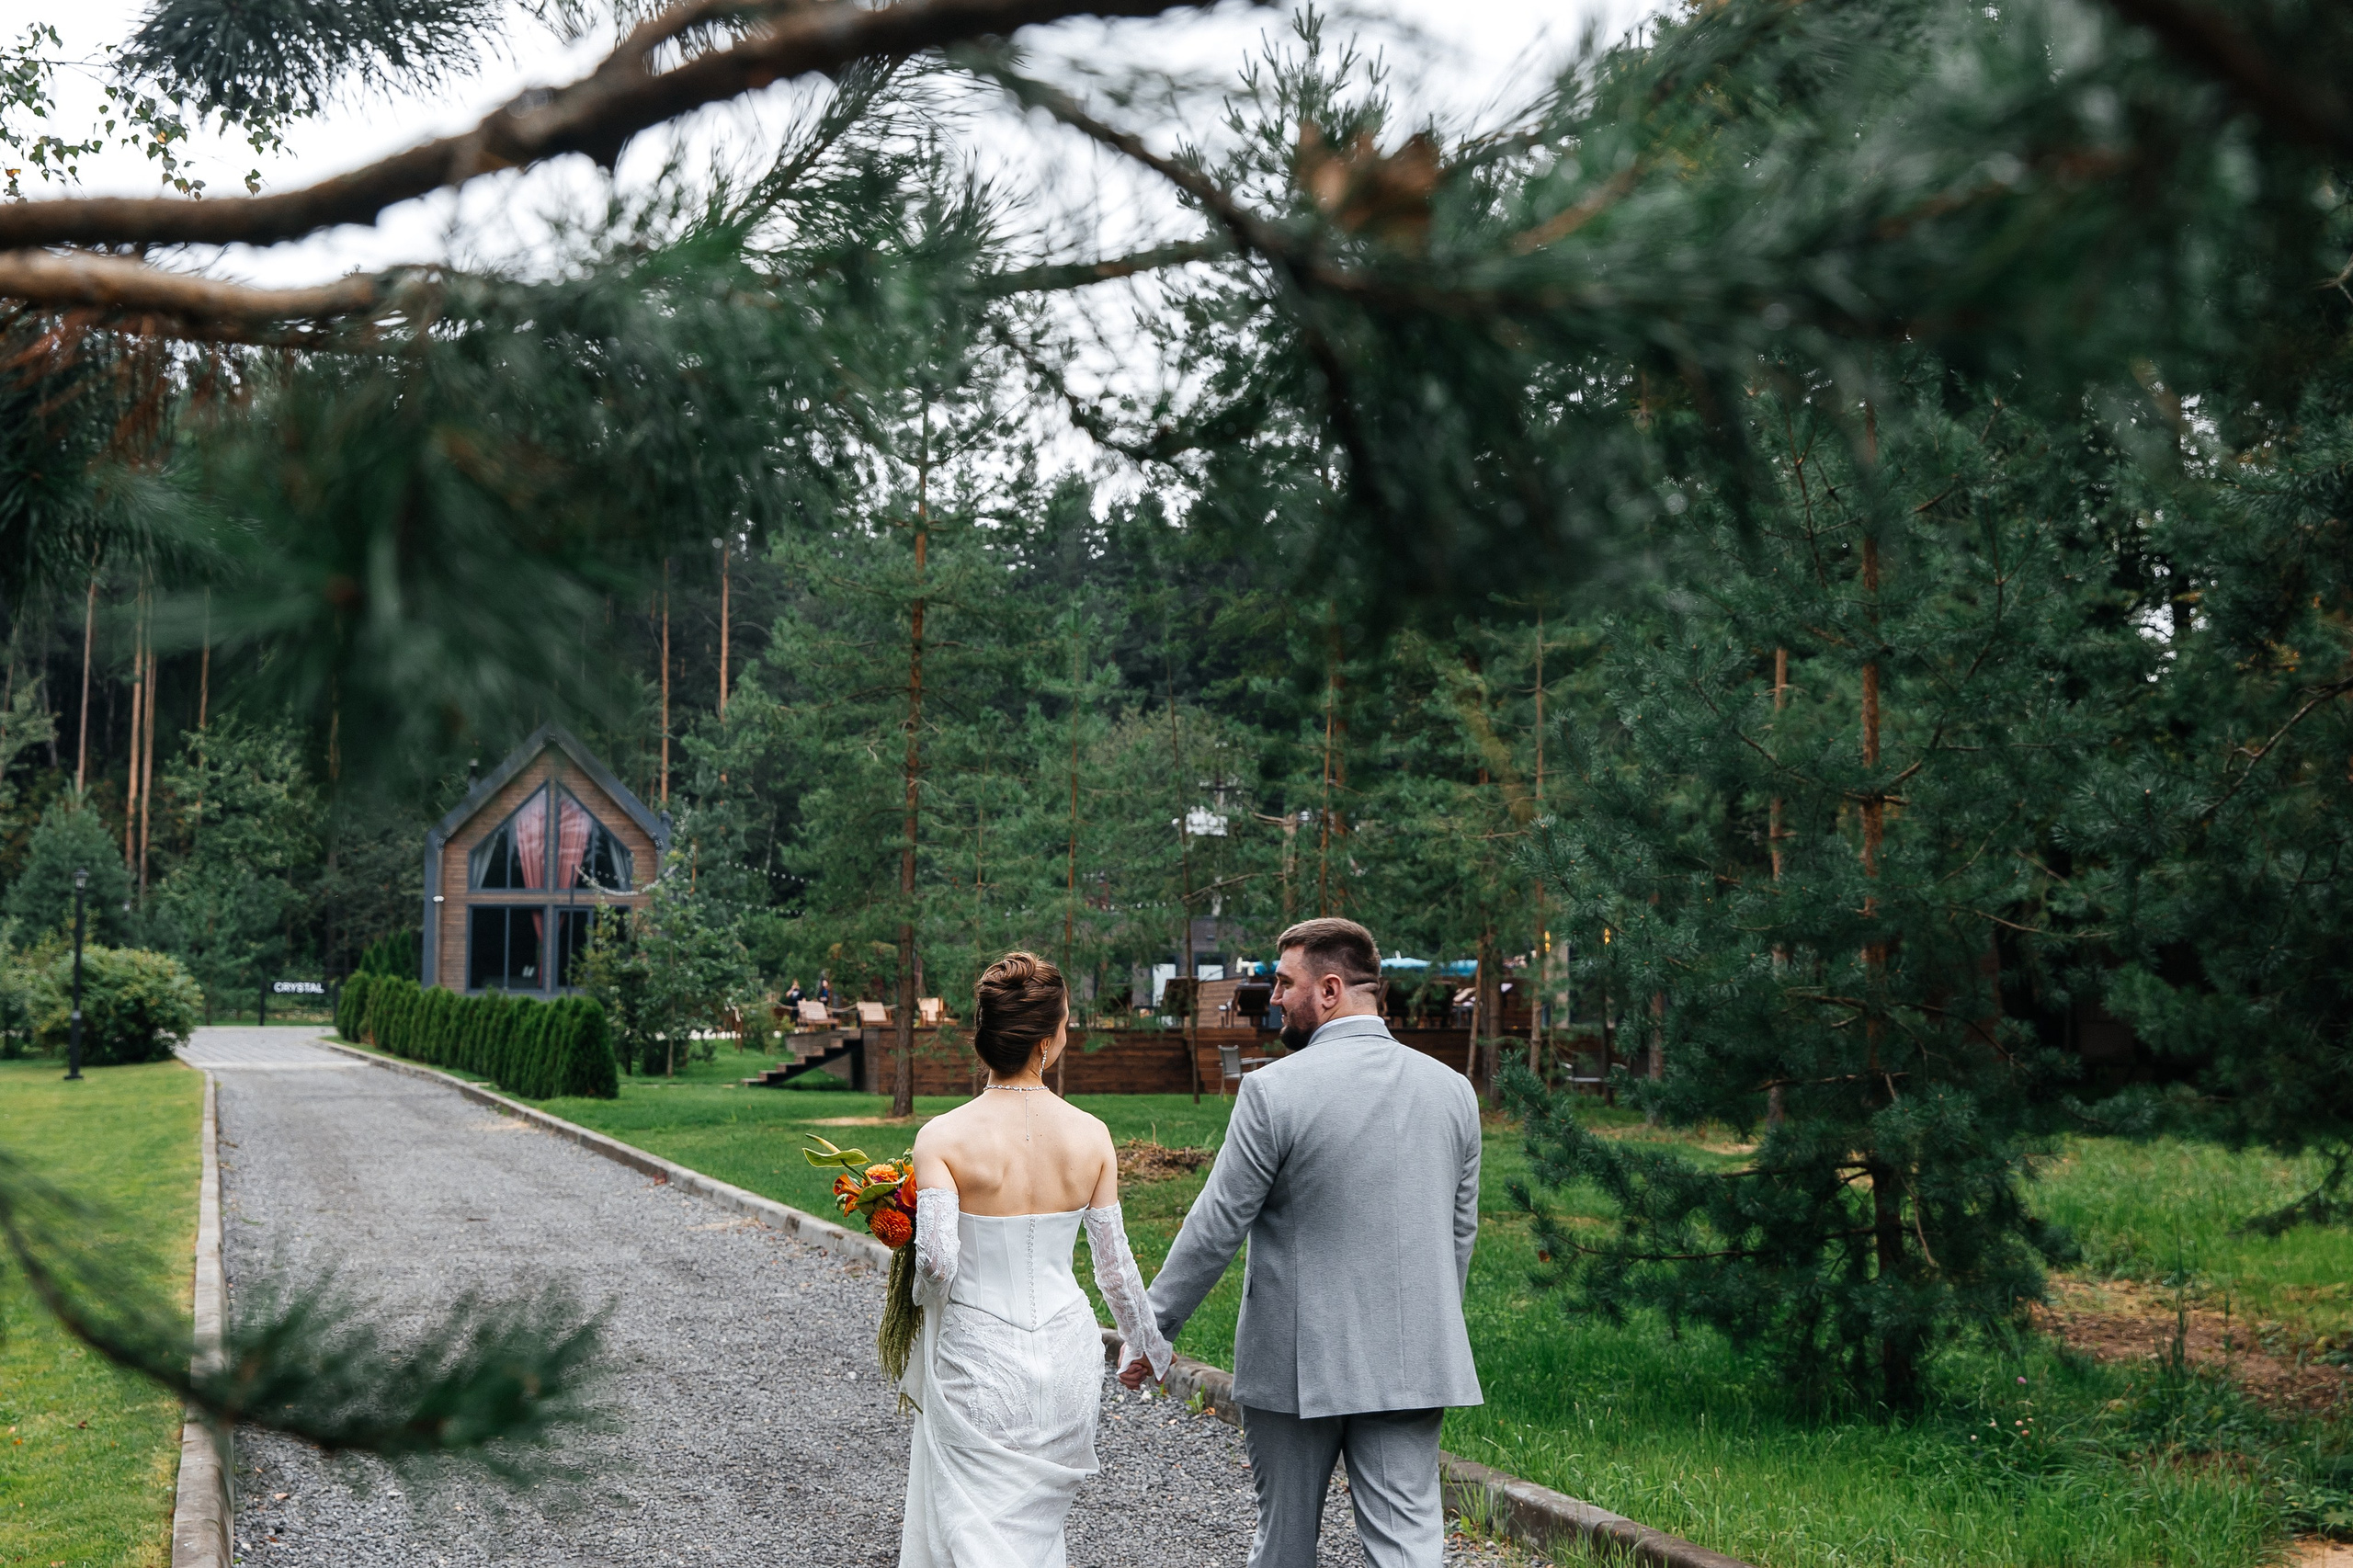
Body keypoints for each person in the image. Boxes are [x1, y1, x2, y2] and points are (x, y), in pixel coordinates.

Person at [1122, 916, 1483, 1568]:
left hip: (1296, 1365)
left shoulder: (1273, 1091)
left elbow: (1216, 1224)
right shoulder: (1454, 1092)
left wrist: (1152, 1331)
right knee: (1409, 1550)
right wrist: (1429, 1324)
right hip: (1412, 1359)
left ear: (1330, 990)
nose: (1275, 996)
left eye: (1285, 982)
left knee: (1285, 1546)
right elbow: (1460, 1232)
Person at [899, 952, 1172, 1567]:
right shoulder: (1091, 1135)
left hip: (979, 1364)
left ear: (985, 1038)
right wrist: (1146, 1346)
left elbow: (938, 1262)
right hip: (1066, 1365)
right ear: (1048, 1040)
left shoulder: (942, 1137)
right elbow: (1115, 1269)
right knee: (1035, 1538)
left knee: (974, 1537)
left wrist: (916, 1303)